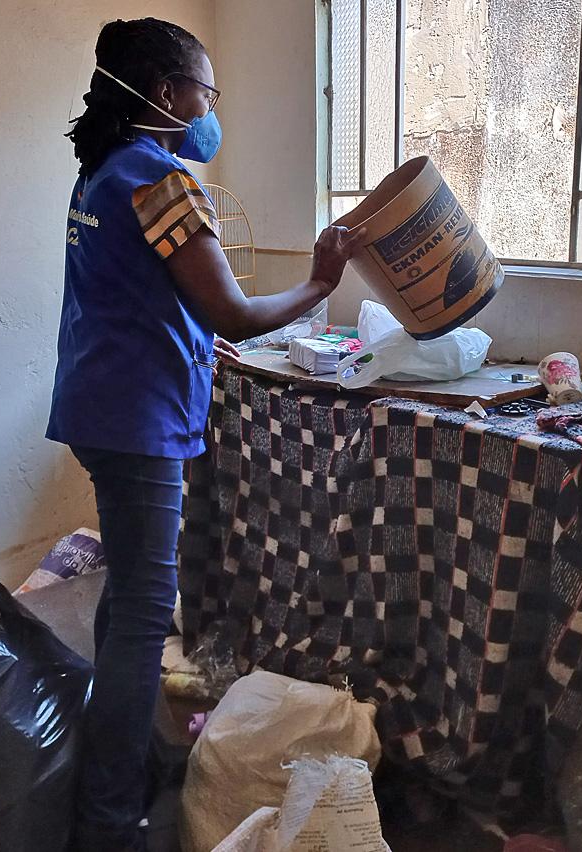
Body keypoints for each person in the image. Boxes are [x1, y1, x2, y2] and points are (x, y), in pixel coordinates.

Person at [47, 17, 366, 852]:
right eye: (206, 92)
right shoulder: (164, 180)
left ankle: (116, 765)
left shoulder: (105, 174)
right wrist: (319, 283)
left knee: (127, 602)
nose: (209, 109)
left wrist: (196, 339)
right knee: (149, 614)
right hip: (138, 420)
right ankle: (109, 818)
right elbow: (231, 306)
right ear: (166, 95)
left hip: (99, 405)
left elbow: (133, 292)